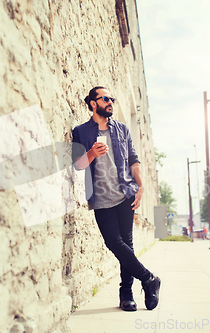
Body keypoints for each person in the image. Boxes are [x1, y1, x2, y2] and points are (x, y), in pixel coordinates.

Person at [72, 86, 161, 311]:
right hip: (101, 197)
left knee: (127, 244)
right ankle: (149, 279)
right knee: (113, 242)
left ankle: (127, 294)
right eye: (106, 98)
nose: (111, 101)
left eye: (112, 98)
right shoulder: (81, 131)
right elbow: (77, 164)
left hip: (124, 194)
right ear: (93, 103)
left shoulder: (122, 129)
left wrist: (140, 186)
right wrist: (91, 153)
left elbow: (134, 159)